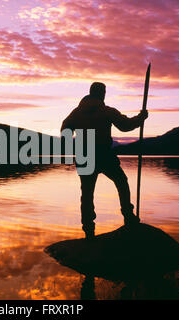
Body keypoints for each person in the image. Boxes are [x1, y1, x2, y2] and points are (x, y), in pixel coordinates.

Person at [61, 82, 148, 240]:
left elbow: (65, 128)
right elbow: (125, 126)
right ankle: (128, 216)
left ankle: (88, 228)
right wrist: (140, 118)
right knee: (121, 182)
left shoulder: (76, 113)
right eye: (104, 92)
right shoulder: (106, 111)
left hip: (84, 155)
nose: (105, 94)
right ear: (101, 93)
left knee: (87, 193)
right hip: (103, 154)